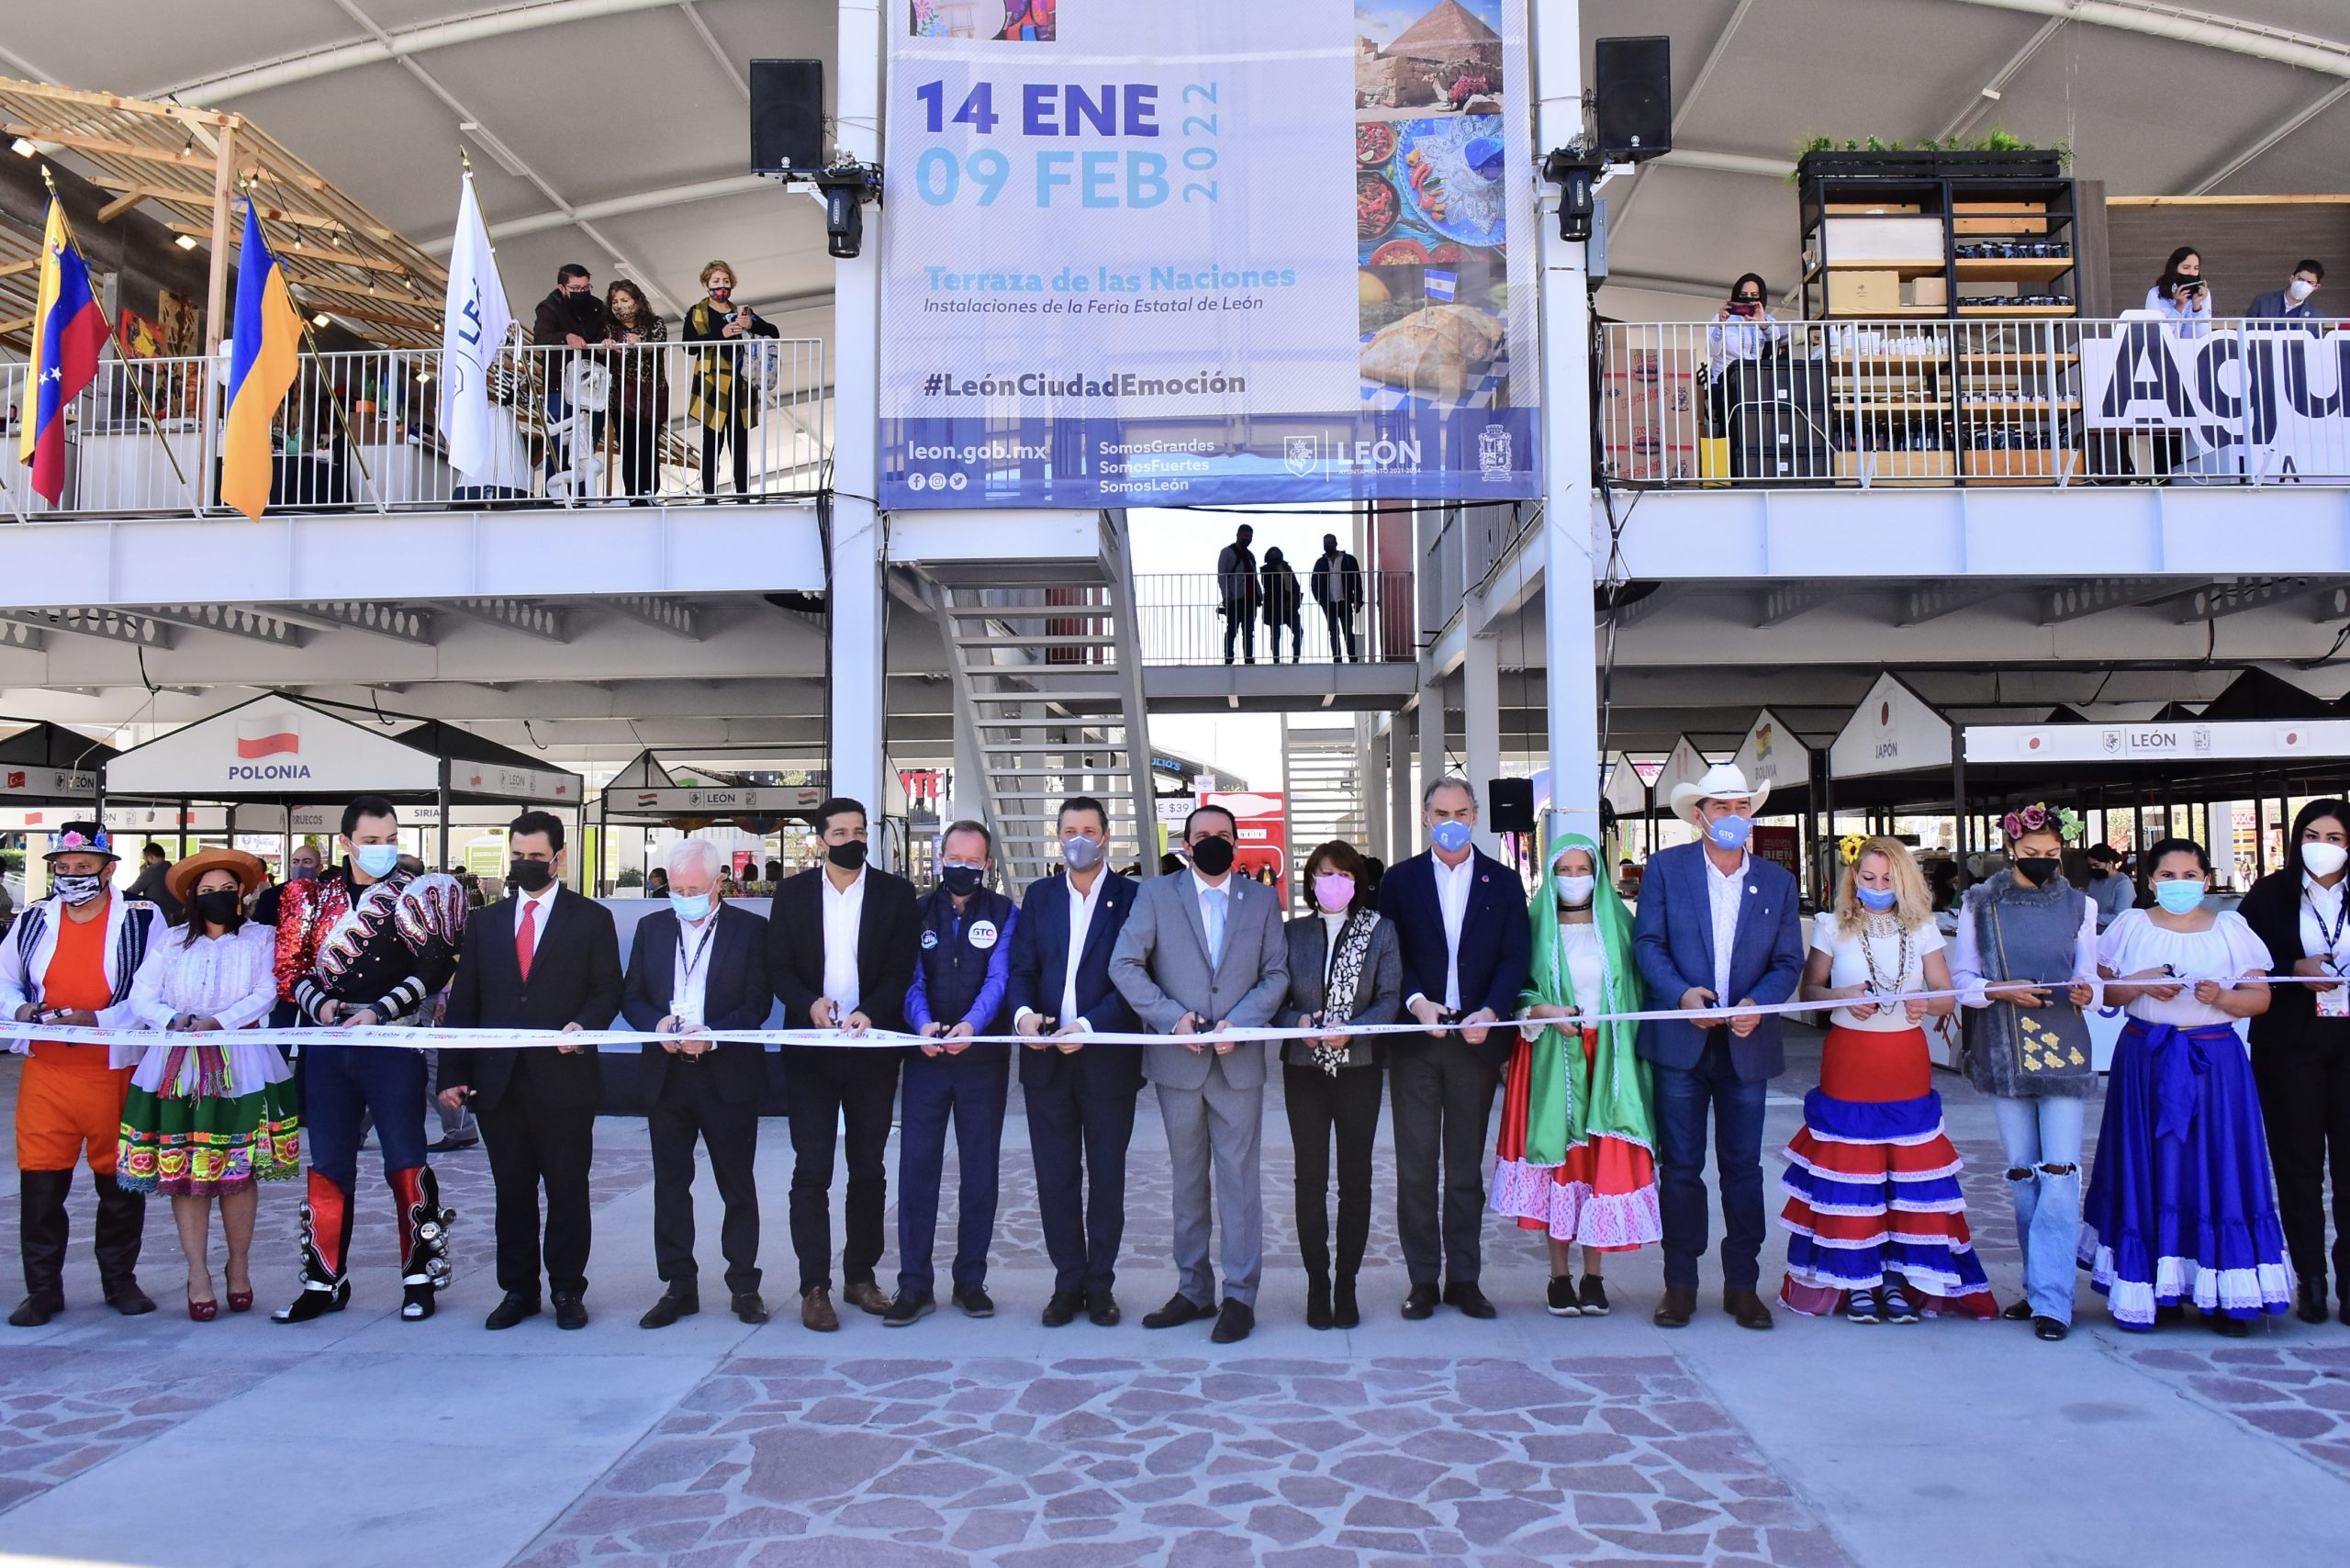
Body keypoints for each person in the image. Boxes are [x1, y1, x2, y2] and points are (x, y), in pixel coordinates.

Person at [271, 796, 467, 1324]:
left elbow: (435, 967)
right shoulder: (310, 897)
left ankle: (419, 1277)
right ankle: (323, 1280)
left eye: (391, 839)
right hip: (328, 1044)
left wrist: (379, 1010)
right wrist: (321, 1005)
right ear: (346, 843)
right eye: (372, 840)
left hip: (391, 1043)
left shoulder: (413, 894)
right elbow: (289, 968)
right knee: (328, 1164)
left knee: (405, 1159)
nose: (384, 848)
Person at [2085, 837, 2291, 1335]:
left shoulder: (2232, 929)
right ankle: (2159, 1286)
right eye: (2168, 876)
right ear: (2151, 881)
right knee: (2150, 1164)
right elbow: (2101, 991)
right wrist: (2140, 983)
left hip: (2215, 1062)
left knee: (2219, 1164)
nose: (2180, 884)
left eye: (2190, 875)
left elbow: (2260, 999)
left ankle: (2225, 1294)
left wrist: (2220, 996)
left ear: (2206, 879)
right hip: (2145, 1059)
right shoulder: (2130, 926)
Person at [1783, 836, 1993, 1323]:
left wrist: (1926, 1004)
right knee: (1851, 1172)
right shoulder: (1831, 925)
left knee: (1906, 1175)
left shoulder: (1923, 928)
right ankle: (1856, 1281)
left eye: (1887, 879)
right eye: (1868, 878)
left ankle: (1898, 1280)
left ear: (1905, 881)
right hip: (1849, 1061)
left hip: (1905, 1061)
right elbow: (1809, 990)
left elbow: (1946, 996)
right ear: (1854, 878)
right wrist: (1840, 996)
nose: (1877, 887)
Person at [1632, 763, 1805, 1332]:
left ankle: (1742, 1286)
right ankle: (1680, 1284)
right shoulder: (1666, 869)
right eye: (1721, 806)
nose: (1733, 816)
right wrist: (1682, 995)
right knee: (1681, 1168)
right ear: (1699, 815)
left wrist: (1759, 1003)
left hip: (1746, 1045)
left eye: (1741, 806)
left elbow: (1788, 962)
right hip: (1681, 1043)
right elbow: (1648, 944)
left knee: (1742, 1168)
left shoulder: (1778, 881)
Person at [1110, 803, 1290, 1343]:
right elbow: (1125, 964)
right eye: (1202, 834)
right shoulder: (1155, 894)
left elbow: (1276, 973)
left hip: (1238, 1062)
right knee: (1187, 1181)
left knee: (1240, 1183)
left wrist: (1242, 1020)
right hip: (1179, 1062)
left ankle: (1240, 1296)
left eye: (1223, 834)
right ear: (1186, 845)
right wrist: (1172, 1018)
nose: (1213, 841)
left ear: (1236, 842)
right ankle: (1193, 1288)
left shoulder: (1262, 900)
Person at [438, 812, 621, 1331]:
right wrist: (452, 1073)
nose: (525, 864)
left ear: (558, 857)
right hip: (498, 1083)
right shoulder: (486, 923)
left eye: (536, 857)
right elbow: (464, 1002)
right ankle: (518, 1290)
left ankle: (567, 1289)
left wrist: (584, 1025)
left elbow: (608, 988)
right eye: (518, 856)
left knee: (567, 1190)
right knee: (512, 1191)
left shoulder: (591, 919)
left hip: (565, 1080)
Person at [118, 849, 297, 1320]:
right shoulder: (172, 941)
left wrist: (220, 1021)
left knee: (238, 1172)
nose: (218, 896)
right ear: (192, 897)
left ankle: (239, 1265)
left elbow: (266, 992)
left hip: (242, 1063)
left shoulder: (262, 938)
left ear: (242, 894)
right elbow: (142, 995)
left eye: (227, 889)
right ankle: (197, 1273)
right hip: (178, 1063)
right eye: (208, 890)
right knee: (185, 1171)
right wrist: (174, 1020)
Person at [1378, 778, 1531, 1321]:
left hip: (1476, 1043)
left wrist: (1492, 1010)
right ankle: (1422, 1280)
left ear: (1475, 817)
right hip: (1416, 1042)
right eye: (1441, 812)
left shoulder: (1504, 882)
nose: (1451, 822)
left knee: (1465, 1170)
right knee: (1416, 1169)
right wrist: (1417, 1002)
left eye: (1461, 812)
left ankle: (1465, 1279)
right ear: (1425, 817)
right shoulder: (1399, 881)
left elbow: (1515, 956)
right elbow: (1389, 954)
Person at [3, 823, 165, 1326]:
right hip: (47, 1070)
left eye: (83, 866)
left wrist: (98, 1019)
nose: (71, 875)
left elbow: (154, 990)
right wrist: (21, 1010)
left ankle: (120, 1282)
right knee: (41, 1183)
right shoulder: (33, 917)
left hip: (114, 1069)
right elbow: (4, 980)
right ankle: (42, 1290)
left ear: (108, 869)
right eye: (63, 867)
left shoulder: (143, 917)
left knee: (119, 1184)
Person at [767, 796, 920, 1331]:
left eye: (859, 832)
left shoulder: (896, 894)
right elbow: (777, 967)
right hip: (811, 1052)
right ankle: (814, 1286)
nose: (853, 841)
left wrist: (870, 1010)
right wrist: (808, 1003)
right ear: (821, 841)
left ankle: (860, 1276)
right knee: (812, 1169)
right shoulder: (792, 894)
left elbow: (902, 968)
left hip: (871, 1049)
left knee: (868, 1167)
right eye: (841, 833)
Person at [1950, 805, 2101, 1341]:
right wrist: (2000, 990)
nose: (2042, 861)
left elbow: (2090, 974)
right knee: (2022, 1173)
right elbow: (1962, 979)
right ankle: (2038, 1288)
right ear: (2011, 848)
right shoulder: (1980, 902)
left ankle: (2054, 1300)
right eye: (2032, 853)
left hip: (2064, 1046)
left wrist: (2087, 991)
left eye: (2052, 853)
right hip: (2003, 1047)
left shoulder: (2081, 904)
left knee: (2060, 1171)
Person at [1494, 834, 1658, 1318]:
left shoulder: (1621, 926)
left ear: (1597, 873)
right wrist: (1541, 1010)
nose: (1573, 878)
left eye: (1582, 869)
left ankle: (1594, 1276)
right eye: (1563, 870)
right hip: (1552, 1058)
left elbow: (1641, 988)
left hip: (1608, 1060)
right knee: (1561, 1167)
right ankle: (1559, 1276)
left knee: (1597, 1167)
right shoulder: (1533, 924)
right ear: (1550, 874)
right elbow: (1516, 985)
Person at [622, 837, 775, 1328]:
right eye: (677, 889)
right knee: (671, 1185)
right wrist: (658, 1025)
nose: (684, 897)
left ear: (717, 883)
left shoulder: (750, 930)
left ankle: (744, 1285)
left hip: (726, 1074)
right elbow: (632, 995)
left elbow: (758, 1002)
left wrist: (713, 1035)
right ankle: (679, 1286)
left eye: (694, 889)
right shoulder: (651, 928)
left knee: (737, 1184)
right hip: (667, 1075)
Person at [1008, 797, 1144, 1327]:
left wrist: (1088, 1026)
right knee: (1055, 1178)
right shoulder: (1039, 896)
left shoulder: (1133, 898)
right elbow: (1022, 968)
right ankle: (1067, 1283)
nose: (1079, 839)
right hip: (1045, 1062)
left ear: (1106, 836)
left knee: (1107, 1178)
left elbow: (1137, 979)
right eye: (1070, 830)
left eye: (1089, 829)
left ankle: (1100, 1285)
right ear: (1058, 836)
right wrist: (1023, 1017)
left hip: (1106, 1061)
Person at [884, 822, 1018, 1327]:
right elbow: (909, 977)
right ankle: (914, 1285)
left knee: (980, 1171)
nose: (962, 868)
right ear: (940, 858)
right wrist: (922, 1023)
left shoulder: (1005, 913)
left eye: (973, 861)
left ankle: (970, 1281)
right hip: (926, 1059)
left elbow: (999, 978)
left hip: (981, 1059)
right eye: (954, 858)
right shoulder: (917, 911)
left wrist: (972, 1026)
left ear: (987, 865)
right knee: (917, 1170)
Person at [2233, 798, 2350, 1327]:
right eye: (2312, 836)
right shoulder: (2269, 894)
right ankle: (2311, 1279)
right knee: (2299, 1166)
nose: (2322, 847)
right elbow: (2242, 961)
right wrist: (2293, 967)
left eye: (2335, 838)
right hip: (2290, 1045)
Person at [1281, 839, 1401, 1330]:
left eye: (1345, 875)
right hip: (1303, 1069)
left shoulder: (1380, 930)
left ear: (1358, 883)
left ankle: (1346, 1283)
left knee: (1355, 1179)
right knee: (1309, 1179)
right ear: (1311, 881)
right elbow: (1273, 994)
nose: (1335, 883)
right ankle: (1317, 1282)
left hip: (1359, 1067)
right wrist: (1297, 1022)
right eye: (1326, 874)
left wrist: (1354, 1028)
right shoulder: (1292, 933)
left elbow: (1390, 996)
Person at [683, 261, 779, 501]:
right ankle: (710, 494)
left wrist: (753, 324)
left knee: (739, 441)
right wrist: (721, 334)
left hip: (740, 382)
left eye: (725, 281)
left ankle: (743, 494)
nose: (721, 286)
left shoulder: (742, 312)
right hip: (712, 381)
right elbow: (689, 347)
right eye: (716, 281)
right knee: (711, 441)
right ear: (706, 284)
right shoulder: (696, 312)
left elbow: (774, 332)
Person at [532, 263, 614, 481]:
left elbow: (605, 333)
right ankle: (556, 492)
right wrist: (566, 337)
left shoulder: (596, 306)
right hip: (559, 386)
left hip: (591, 386)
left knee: (588, 445)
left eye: (586, 287)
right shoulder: (548, 307)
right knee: (559, 444)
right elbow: (541, 338)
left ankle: (582, 492)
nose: (582, 292)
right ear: (562, 287)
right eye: (576, 288)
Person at [604, 279, 667, 502]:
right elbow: (602, 353)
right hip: (620, 396)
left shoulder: (654, 323)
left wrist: (641, 341)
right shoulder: (609, 327)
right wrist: (605, 346)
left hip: (650, 395)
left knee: (648, 443)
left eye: (625, 300)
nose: (620, 306)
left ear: (637, 301)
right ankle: (633, 493)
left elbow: (657, 345)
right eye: (615, 302)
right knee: (628, 445)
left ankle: (649, 490)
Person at [1706, 272, 1786, 424]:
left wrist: (1762, 322)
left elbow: (1775, 336)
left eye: (1754, 295)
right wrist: (1721, 324)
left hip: (1754, 380)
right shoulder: (1722, 318)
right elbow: (1711, 350)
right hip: (1724, 382)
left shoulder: (1765, 318)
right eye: (1743, 295)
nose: (1748, 299)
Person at [1308, 532, 1364, 663]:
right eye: (1325, 543)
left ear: (1336, 543)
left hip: (1344, 600)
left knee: (1348, 630)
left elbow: (1357, 580)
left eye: (1330, 543)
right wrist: (1320, 599)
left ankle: (1352, 657)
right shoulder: (1320, 562)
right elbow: (1314, 582)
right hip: (1329, 602)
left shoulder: (1348, 559)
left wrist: (1358, 599)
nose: (1328, 545)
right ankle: (1337, 657)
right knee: (1333, 631)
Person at [1216, 523, 1261, 665]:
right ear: (1238, 535)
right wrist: (1226, 596)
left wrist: (1259, 595)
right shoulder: (1227, 552)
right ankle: (1229, 657)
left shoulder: (1250, 555)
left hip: (1251, 599)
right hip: (1235, 598)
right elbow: (1222, 576)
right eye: (1245, 536)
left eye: (1250, 537)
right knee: (1232, 629)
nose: (1248, 539)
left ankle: (1249, 657)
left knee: (1249, 631)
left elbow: (1254, 576)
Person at [2146, 246, 2212, 338]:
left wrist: (2197, 306)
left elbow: (2204, 335)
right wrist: (2179, 307)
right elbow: (2155, 335)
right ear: (2174, 269)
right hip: (2164, 347)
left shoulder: (2202, 294)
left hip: (2193, 346)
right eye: (2186, 268)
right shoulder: (2155, 293)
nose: (2192, 272)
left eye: (2196, 268)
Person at [1259, 546, 1304, 665]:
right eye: (1272, 554)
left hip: (1289, 605)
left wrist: (1294, 596)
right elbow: (1270, 586)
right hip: (1274, 605)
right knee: (1275, 634)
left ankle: (1296, 658)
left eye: (1276, 554)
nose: (1275, 556)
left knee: (1299, 631)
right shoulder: (1265, 570)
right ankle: (1276, 660)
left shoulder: (1286, 567)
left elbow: (1295, 585)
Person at [126, 842, 184, 925]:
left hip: (157, 920)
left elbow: (131, 892)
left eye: (145, 859)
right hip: (176, 920)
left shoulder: (151, 871)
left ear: (151, 857)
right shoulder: (176, 871)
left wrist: (142, 875)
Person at [2084, 842, 2134, 932]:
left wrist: (2092, 918)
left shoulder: (2123, 884)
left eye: (2096, 865)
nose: (2093, 869)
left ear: (2110, 863)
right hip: (2091, 931)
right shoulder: (2094, 881)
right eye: (2091, 866)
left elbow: (2120, 917)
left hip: (2114, 933)